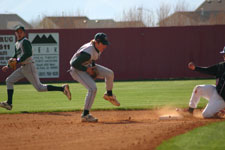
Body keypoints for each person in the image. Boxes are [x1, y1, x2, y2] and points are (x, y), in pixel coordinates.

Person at [0, 25, 71, 110]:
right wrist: (8, 66)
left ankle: (62, 88)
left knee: (40, 88)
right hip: (23, 68)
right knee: (9, 80)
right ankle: (9, 103)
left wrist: (18, 61)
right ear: (15, 33)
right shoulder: (17, 43)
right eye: (17, 32)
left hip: (29, 66)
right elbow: (15, 56)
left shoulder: (25, 41)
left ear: (24, 33)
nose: (19, 33)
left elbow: (28, 53)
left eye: (20, 32)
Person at [69, 32, 120, 122]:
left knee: (109, 74)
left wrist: (92, 68)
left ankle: (109, 94)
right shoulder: (88, 52)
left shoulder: (97, 48)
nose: (105, 46)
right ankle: (85, 115)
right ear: (97, 42)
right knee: (93, 88)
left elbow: (92, 60)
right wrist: (88, 70)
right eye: (103, 44)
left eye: (105, 44)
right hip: (76, 70)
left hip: (86, 66)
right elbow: (74, 63)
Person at [187, 47, 225, 118]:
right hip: (216, 91)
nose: (223, 56)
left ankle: (218, 110)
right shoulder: (221, 66)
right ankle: (190, 111)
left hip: (222, 99)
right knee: (198, 88)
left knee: (206, 115)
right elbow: (208, 70)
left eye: (224, 54)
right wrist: (195, 68)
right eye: (224, 54)